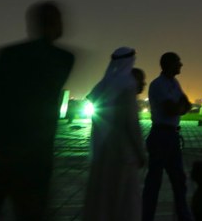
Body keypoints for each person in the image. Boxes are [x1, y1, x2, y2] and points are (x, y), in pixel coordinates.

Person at [0, 1, 75, 220]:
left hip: (0, 154)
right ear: (55, 24)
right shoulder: (63, 59)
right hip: (34, 161)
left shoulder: (10, 54)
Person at [82, 47, 147, 221]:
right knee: (124, 202)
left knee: (103, 199)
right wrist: (140, 152)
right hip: (124, 155)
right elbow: (131, 124)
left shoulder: (103, 85)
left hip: (103, 152)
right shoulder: (127, 85)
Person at [142, 52, 194, 221]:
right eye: (178, 62)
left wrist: (179, 107)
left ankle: (183, 215)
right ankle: (147, 216)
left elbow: (187, 104)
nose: (181, 65)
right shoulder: (158, 85)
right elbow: (171, 109)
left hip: (171, 136)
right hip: (160, 136)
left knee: (179, 180)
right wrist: (179, 107)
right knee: (154, 182)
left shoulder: (174, 83)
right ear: (169, 64)